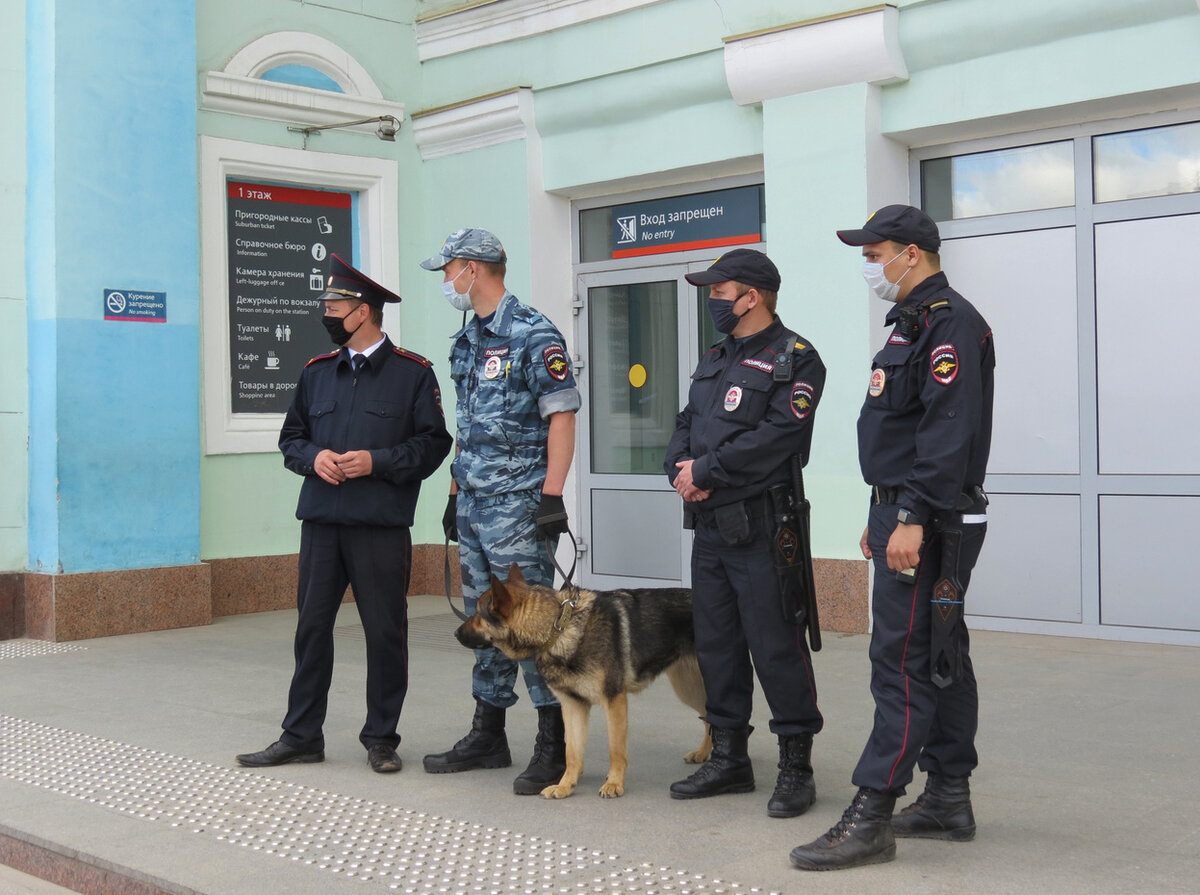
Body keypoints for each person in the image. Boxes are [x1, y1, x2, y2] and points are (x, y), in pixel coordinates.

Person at [790, 205, 994, 870]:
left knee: (901, 661)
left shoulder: (948, 323)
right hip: (908, 508)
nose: (869, 266)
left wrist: (908, 515)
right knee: (942, 651)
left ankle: (872, 811)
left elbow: (947, 428)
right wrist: (886, 511)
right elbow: (902, 431)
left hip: (929, 515)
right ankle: (948, 794)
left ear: (912, 252)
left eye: (875, 253)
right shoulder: (910, 323)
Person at [236, 255, 452, 774]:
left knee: (384, 632)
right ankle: (301, 734)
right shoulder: (316, 373)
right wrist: (315, 458)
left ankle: (381, 738)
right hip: (322, 525)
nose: (327, 314)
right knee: (311, 629)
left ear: (364, 312)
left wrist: (376, 461)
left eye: (334, 306)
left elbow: (433, 445)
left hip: (379, 526)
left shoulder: (413, 374)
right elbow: (291, 439)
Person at [418, 228, 581, 795]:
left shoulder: (534, 333)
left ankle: (554, 743)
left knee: (533, 620)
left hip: (519, 503)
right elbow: (469, 427)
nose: (445, 282)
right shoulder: (468, 342)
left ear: (472, 269)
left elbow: (562, 414)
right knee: (483, 615)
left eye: (447, 271)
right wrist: (455, 492)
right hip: (474, 500)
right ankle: (488, 733)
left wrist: (552, 496)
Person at [664, 248, 826, 818]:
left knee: (775, 644)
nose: (712, 300)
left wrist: (705, 472)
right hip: (710, 526)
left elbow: (779, 436)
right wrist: (680, 470)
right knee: (716, 646)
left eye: (718, 291)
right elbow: (687, 422)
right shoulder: (716, 356)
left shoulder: (795, 359)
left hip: (762, 526)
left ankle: (795, 767)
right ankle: (729, 757)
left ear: (750, 297)